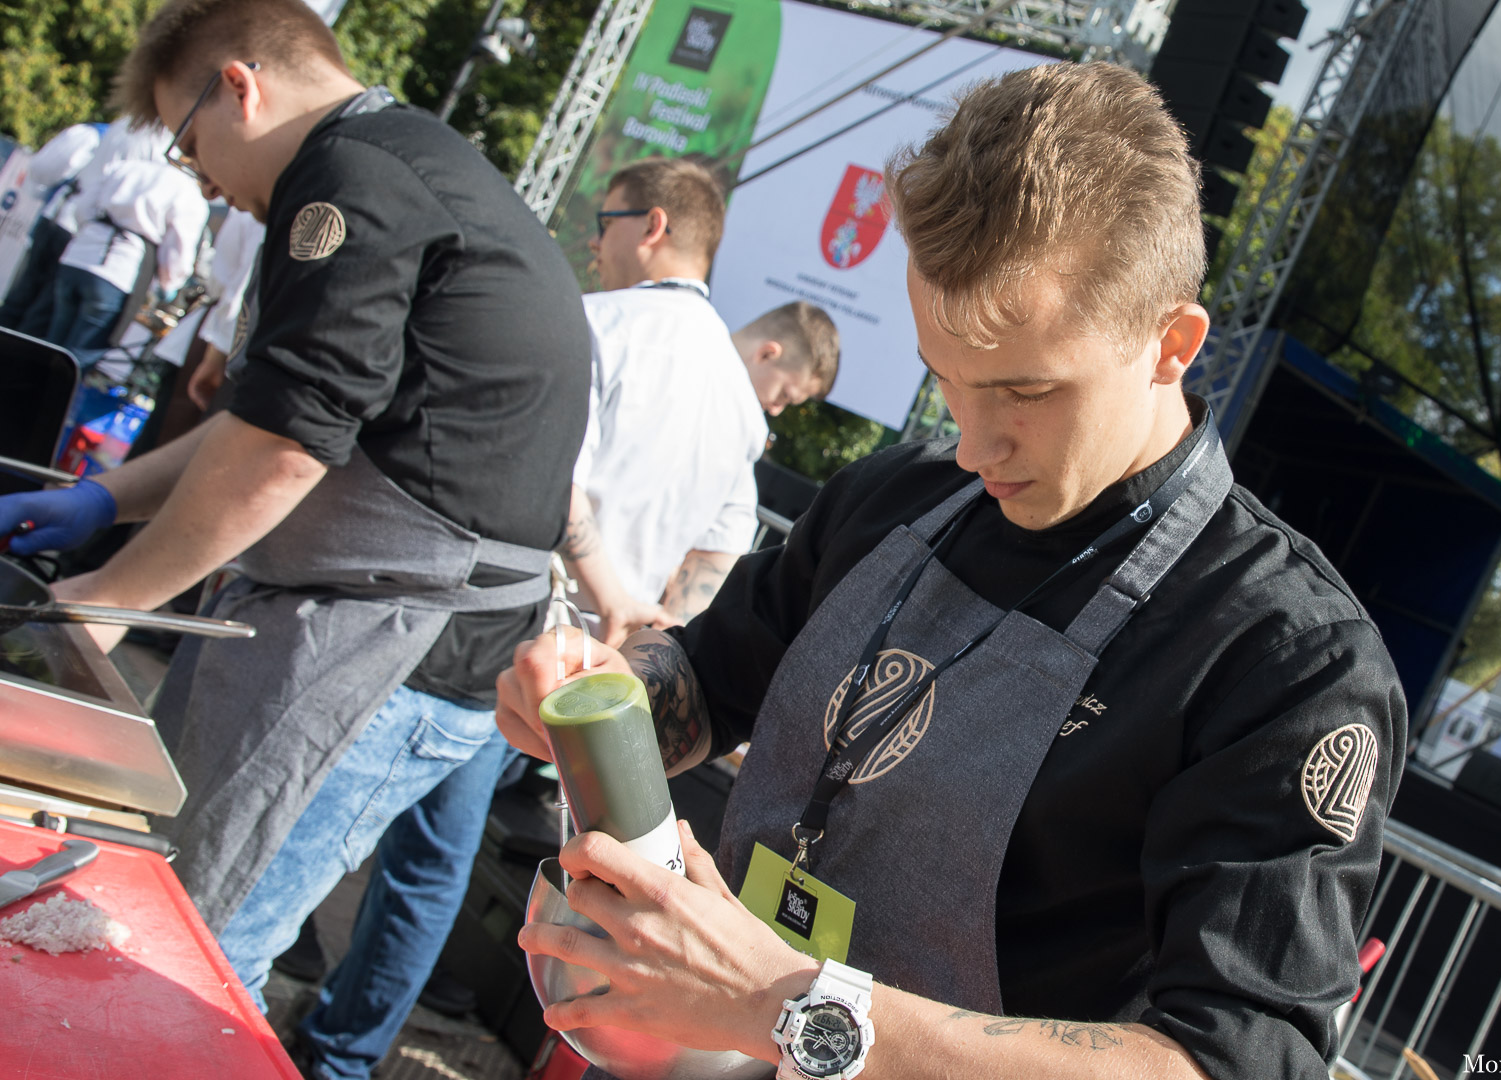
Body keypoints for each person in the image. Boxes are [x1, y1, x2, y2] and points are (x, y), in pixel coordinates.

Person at [497, 62, 1405, 1080]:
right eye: (948, 381)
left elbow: (1232, 1062)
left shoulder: (1285, 659)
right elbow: (706, 682)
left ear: (1171, 345)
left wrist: (792, 1007)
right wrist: (603, 701)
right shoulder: (898, 495)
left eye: (1026, 392)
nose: (975, 446)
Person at [0, 4, 590, 1076]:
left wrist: (110, 596)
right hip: (346, 615)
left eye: (189, 144)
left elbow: (286, 449)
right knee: (156, 897)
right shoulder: (394, 160)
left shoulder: (355, 176)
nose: (199, 179)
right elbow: (271, 417)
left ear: (240, 85)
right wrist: (106, 499)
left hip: (387, 645)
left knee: (185, 953)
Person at [564, 159, 839, 644]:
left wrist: (612, 604)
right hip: (610, 655)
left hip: (528, 624)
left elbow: (554, 475)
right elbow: (718, 554)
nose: (595, 241)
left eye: (605, 223)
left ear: (651, 227)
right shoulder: (742, 410)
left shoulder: (595, 322)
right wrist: (649, 641)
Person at [46, 153, 208, 354]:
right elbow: (178, 252)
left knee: (52, 343)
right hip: (118, 272)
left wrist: (92, 237)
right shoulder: (189, 193)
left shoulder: (127, 166)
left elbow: (83, 209)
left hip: (77, 258)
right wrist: (168, 286)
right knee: (81, 354)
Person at [0, 122, 104, 337]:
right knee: (40, 314)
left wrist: (41, 193)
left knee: (22, 301)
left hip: (63, 223)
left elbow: (43, 169)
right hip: (85, 238)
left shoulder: (96, 133)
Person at [184, 202, 266, 408]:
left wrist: (216, 353)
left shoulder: (254, 210)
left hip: (230, 335)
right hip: (231, 333)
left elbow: (229, 285)